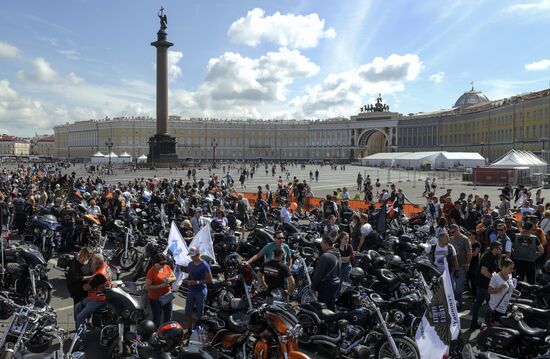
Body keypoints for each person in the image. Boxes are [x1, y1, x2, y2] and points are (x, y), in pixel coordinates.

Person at [75, 253, 111, 348]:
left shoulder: (100, 275)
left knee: (79, 317)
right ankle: (80, 330)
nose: (90, 263)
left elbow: (86, 288)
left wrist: (82, 284)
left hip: (98, 299)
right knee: (77, 307)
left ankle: (82, 342)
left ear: (96, 264)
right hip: (95, 296)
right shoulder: (105, 266)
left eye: (92, 261)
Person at [470, 241, 502, 329]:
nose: (501, 250)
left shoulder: (492, 255)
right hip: (485, 285)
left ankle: (474, 323)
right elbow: (483, 271)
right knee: (490, 305)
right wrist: (494, 278)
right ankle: (488, 325)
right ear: (495, 249)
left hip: (482, 284)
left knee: (478, 304)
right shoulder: (488, 257)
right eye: (500, 248)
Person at [144, 253, 176, 328]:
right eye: (162, 263)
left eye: (165, 263)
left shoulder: (166, 267)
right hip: (156, 298)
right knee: (157, 319)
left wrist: (169, 279)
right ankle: (155, 334)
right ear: (156, 262)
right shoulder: (151, 272)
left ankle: (167, 334)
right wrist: (160, 286)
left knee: (168, 318)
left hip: (167, 296)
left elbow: (174, 277)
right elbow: (147, 287)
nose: (163, 265)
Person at [184, 247, 212, 331]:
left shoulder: (204, 265)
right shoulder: (190, 264)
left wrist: (196, 282)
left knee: (200, 313)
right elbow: (190, 276)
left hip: (200, 291)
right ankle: (189, 329)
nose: (191, 257)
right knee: (188, 311)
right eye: (191, 256)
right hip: (191, 291)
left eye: (193, 256)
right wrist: (186, 280)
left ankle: (199, 330)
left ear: (198, 254)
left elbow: (210, 280)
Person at [310, 236, 341, 310]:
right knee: (331, 306)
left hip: (326, 286)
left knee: (323, 309)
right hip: (336, 284)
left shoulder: (324, 257)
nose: (321, 245)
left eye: (322, 243)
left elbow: (318, 274)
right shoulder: (338, 254)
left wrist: (313, 287)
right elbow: (339, 270)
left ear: (326, 244)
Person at [487, 258, 519, 326]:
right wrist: (499, 288)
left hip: (505, 307)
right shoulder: (495, 277)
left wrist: (515, 292)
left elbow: (509, 289)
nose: (512, 270)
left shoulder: (510, 276)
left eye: (512, 268)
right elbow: (489, 291)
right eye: (510, 268)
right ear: (504, 267)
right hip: (496, 308)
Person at [449, 224, 471, 310]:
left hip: (461, 265)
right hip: (453, 266)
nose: (452, 234)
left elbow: (469, 252)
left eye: (453, 232)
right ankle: (453, 303)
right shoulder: (451, 239)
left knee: (459, 287)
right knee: (452, 286)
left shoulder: (464, 239)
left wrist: (467, 263)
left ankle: (459, 303)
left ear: (458, 230)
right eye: (450, 232)